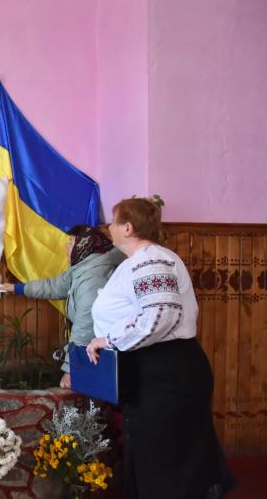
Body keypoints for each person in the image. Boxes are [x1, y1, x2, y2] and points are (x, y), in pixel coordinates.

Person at [87, 198, 234, 498]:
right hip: (154, 369)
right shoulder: (138, 261)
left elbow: (160, 316)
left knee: (166, 459)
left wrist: (109, 339)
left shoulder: (151, 260)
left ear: (127, 227)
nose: (109, 228)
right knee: (155, 455)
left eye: (113, 222)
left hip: (166, 372)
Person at [0, 226, 125, 388]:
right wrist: (17, 288)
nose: (67, 247)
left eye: (71, 242)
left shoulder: (92, 278)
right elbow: (54, 286)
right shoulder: (85, 267)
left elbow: (85, 327)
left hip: (105, 352)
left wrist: (71, 370)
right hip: (100, 347)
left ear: (84, 246)